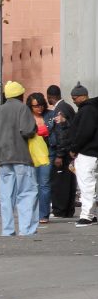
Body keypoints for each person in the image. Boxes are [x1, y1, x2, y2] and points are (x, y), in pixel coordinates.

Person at [0, 82, 39, 237]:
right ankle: (26, 230)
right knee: (27, 193)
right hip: (21, 157)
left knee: (6, 196)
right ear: (21, 95)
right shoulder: (22, 108)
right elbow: (27, 130)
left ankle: (7, 230)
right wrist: (35, 129)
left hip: (3, 157)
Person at [68, 83, 98, 226]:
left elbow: (84, 132)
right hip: (93, 153)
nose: (73, 101)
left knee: (86, 186)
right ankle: (91, 214)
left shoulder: (87, 110)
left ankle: (86, 216)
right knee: (92, 185)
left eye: (74, 98)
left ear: (83, 96)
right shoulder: (93, 109)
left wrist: (74, 148)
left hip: (86, 153)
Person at [47, 84, 77, 218]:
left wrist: (59, 155)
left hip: (63, 152)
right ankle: (69, 210)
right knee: (70, 182)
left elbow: (61, 133)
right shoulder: (68, 106)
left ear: (50, 97)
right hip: (70, 151)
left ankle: (60, 210)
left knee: (59, 182)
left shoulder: (59, 110)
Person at [26, 93, 54, 225]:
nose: (39, 108)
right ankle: (32, 213)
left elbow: (56, 133)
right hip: (30, 156)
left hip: (46, 155)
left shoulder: (50, 115)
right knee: (32, 186)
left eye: (41, 105)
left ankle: (43, 214)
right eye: (36, 106)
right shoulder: (26, 117)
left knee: (44, 185)